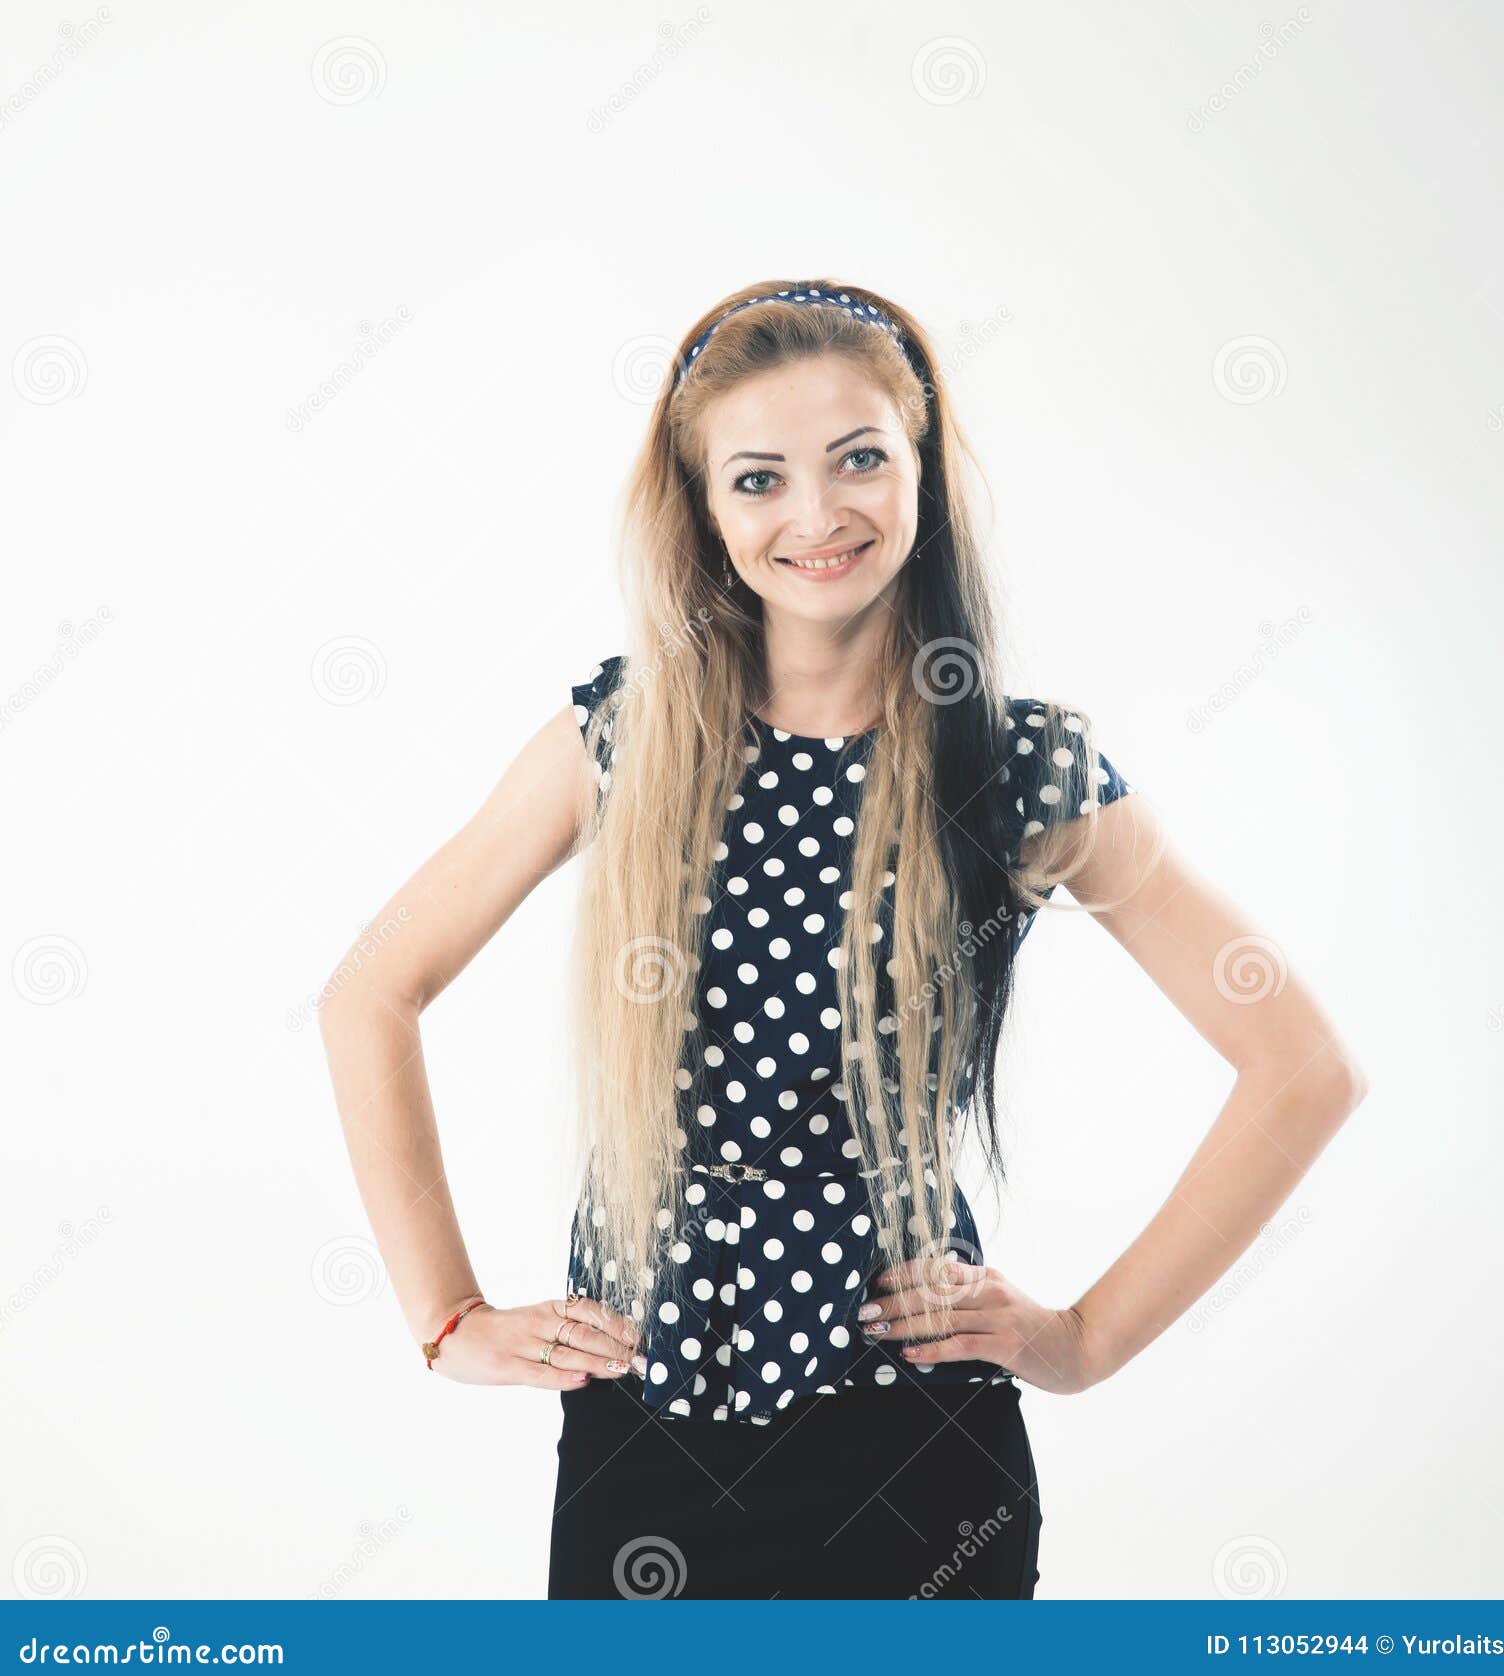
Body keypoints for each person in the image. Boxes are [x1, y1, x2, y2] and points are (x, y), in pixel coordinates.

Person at [317, 279, 1368, 1601]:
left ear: (922, 466)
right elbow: (372, 989)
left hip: (921, 1462)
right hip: (641, 1449)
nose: (817, 516)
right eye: (758, 478)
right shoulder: (622, 744)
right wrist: (447, 1318)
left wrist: (1080, 1339)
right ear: (704, 507)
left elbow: (1301, 1067)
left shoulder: (1019, 768)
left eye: (860, 458)